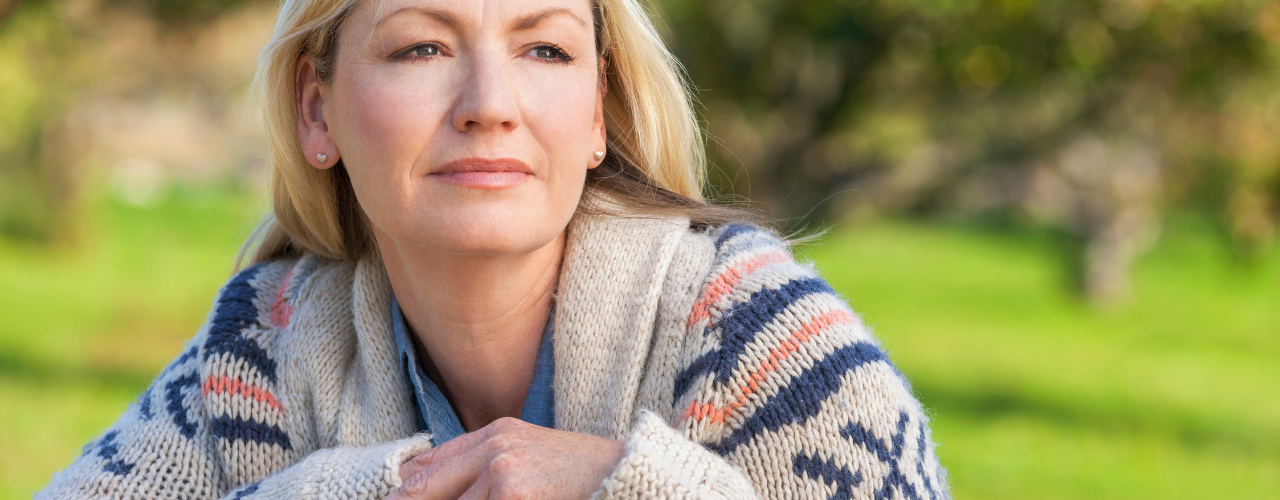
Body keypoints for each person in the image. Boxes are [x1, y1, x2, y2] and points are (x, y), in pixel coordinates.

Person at [36, 0, 949, 497]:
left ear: (599, 111)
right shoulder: (271, 345)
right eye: (422, 47)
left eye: (544, 49)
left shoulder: (752, 333)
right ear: (319, 112)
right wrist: (367, 490)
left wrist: (623, 487)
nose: (489, 103)